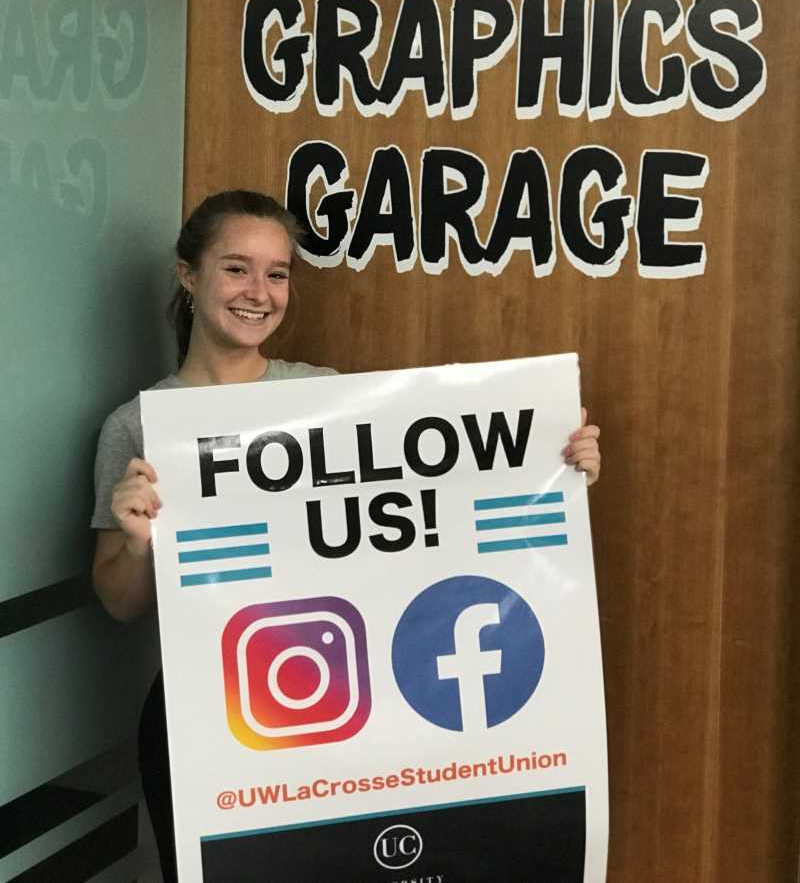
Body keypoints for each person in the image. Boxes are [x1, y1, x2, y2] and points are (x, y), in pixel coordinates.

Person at [90, 188, 601, 882]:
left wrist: (553, 464)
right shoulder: (136, 425)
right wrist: (137, 540)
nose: (259, 292)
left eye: (277, 273)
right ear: (188, 275)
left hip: (340, 712)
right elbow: (120, 603)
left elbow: (435, 512)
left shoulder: (326, 398)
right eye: (236, 268)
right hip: (206, 720)